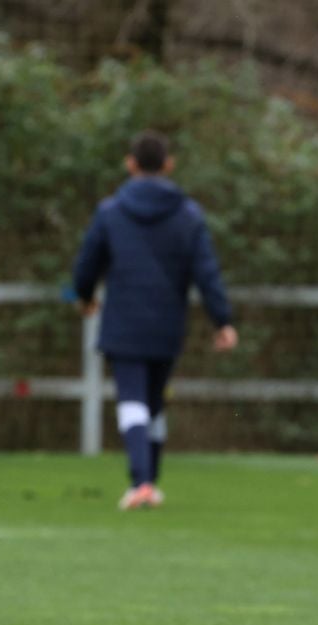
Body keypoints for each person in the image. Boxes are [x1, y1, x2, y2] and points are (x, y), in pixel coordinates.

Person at [72, 129, 238, 511]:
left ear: (130, 164)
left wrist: (84, 297)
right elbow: (206, 272)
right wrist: (222, 321)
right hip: (167, 325)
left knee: (133, 402)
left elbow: (87, 264)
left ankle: (142, 482)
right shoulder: (188, 215)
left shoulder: (111, 211)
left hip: (123, 323)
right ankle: (149, 481)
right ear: (168, 165)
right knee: (153, 404)